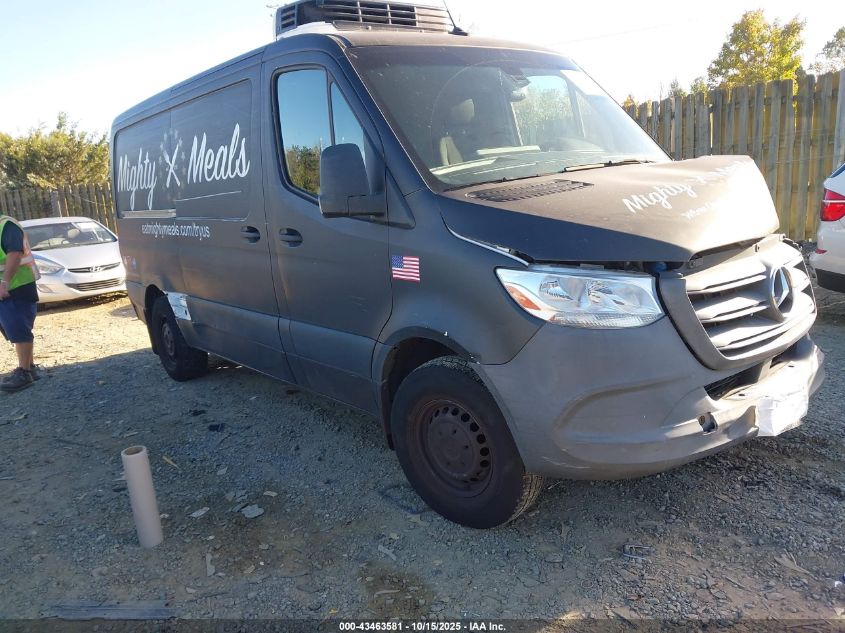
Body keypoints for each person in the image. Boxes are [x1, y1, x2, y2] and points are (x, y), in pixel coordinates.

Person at [0, 215, 40, 392]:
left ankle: (24, 372)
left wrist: (5, 282)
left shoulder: (5, 225)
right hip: (10, 286)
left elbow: (15, 254)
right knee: (14, 328)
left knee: (18, 327)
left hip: (16, 285)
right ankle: (29, 368)